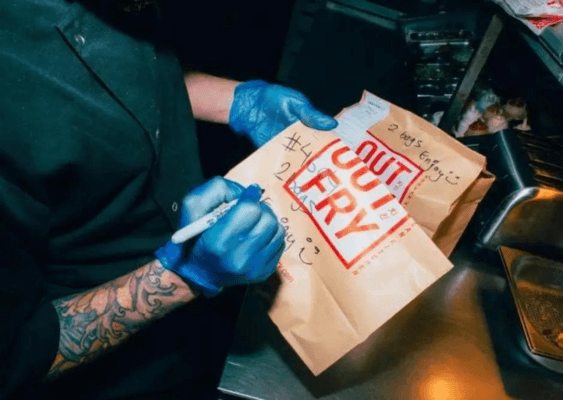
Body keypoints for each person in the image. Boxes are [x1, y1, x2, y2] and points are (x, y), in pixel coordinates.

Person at [0, 0, 337, 398]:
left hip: (196, 334)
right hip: (117, 378)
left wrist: (235, 101)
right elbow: (15, 358)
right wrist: (182, 276)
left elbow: (103, 79)